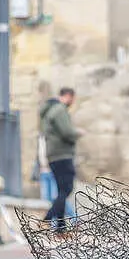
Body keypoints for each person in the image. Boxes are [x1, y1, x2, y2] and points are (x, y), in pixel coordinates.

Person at [40, 87, 80, 232]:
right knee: (67, 188)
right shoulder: (59, 110)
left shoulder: (51, 110)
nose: (73, 102)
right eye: (73, 98)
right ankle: (48, 218)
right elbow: (67, 132)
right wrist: (77, 133)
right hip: (62, 155)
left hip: (54, 155)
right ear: (68, 96)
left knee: (61, 191)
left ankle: (61, 227)